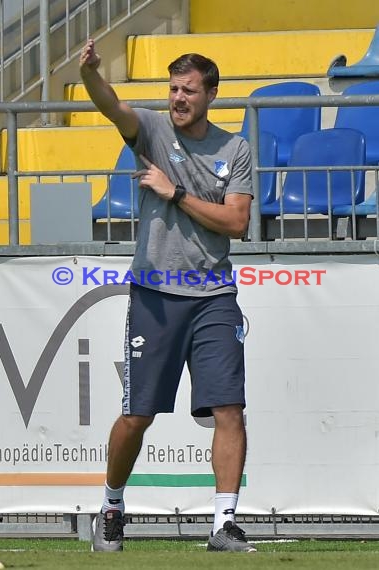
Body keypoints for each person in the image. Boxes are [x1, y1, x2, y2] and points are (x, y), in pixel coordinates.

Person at [79, 38, 255, 553]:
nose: (178, 97)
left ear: (211, 95)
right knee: (138, 415)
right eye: (173, 88)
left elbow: (238, 222)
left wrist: (175, 193)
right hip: (154, 295)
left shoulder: (235, 150)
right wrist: (89, 71)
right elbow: (111, 104)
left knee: (229, 409)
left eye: (189, 90)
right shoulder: (152, 130)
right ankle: (112, 506)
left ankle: (223, 525)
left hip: (214, 295)